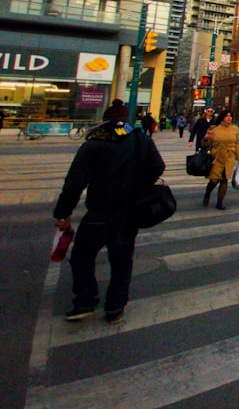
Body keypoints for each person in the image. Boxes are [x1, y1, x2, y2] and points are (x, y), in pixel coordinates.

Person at [52, 114, 165, 324]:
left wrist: (63, 213)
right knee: (122, 261)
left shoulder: (94, 144)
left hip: (99, 212)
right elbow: (157, 166)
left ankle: (85, 301)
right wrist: (138, 185)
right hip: (128, 212)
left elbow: (74, 183)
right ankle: (115, 308)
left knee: (81, 257)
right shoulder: (140, 140)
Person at [202, 109, 239, 210]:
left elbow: (237, 143)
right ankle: (207, 193)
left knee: (224, 180)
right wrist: (206, 139)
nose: (229, 118)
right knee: (214, 180)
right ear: (222, 117)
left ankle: (219, 203)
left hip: (230, 157)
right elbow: (205, 143)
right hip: (217, 157)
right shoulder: (214, 128)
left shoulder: (234, 129)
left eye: (230, 116)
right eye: (227, 116)